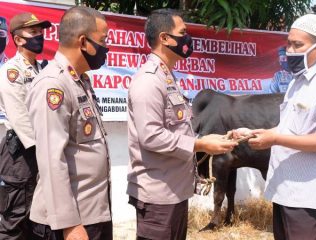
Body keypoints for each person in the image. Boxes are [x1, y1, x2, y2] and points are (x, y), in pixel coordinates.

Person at [127, 9, 238, 240]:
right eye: (183, 33)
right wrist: (200, 144)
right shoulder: (148, 80)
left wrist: (210, 141)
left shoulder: (167, 78)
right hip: (158, 197)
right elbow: (151, 136)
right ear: (165, 38)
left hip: (174, 192)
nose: (188, 39)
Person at [26, 6, 112, 240]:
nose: (107, 47)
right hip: (69, 224)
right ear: (83, 42)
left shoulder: (79, 80)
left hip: (92, 214)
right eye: (103, 40)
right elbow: (51, 159)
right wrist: (69, 225)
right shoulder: (53, 84)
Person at [233, 14, 316, 240]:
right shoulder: (295, 83)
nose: (290, 50)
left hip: (309, 197)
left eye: (298, 45)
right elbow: (287, 129)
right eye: (288, 44)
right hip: (284, 191)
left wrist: (275, 140)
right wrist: (253, 133)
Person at [0, 12, 51, 239]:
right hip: (22, 154)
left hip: (42, 151)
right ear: (18, 39)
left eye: (41, 32)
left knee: (38, 220)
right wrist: (45, 150)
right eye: (33, 32)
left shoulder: (43, 69)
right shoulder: (11, 73)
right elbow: (20, 117)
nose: (39, 36)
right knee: (15, 220)